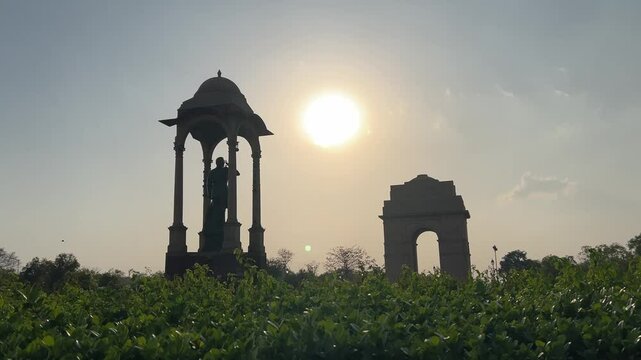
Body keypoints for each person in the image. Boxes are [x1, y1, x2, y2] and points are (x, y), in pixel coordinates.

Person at [202, 157, 238, 251]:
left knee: (218, 212)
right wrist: (229, 165)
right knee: (217, 212)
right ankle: (217, 230)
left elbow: (208, 184)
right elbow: (236, 173)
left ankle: (218, 229)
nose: (221, 164)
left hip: (218, 194)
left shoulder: (215, 172)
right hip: (221, 193)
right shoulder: (224, 171)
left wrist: (209, 194)